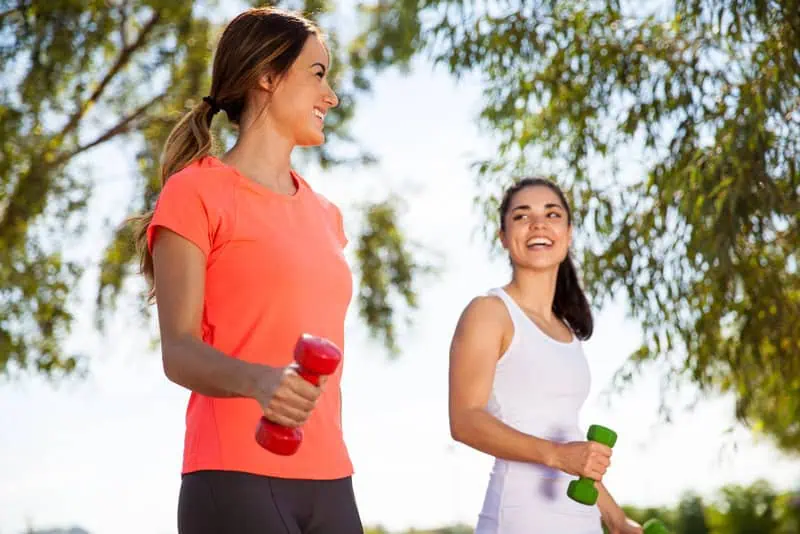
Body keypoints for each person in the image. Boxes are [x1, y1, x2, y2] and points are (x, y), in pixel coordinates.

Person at [129, 7, 362, 534]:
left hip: (331, 476)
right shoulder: (195, 193)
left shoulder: (327, 215)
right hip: (234, 475)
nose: (331, 97)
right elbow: (179, 350)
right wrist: (259, 380)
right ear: (267, 76)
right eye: (318, 74)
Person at [447, 177, 643, 534]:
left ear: (568, 234)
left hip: (579, 518)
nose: (538, 224)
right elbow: (465, 421)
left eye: (552, 214)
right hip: (520, 517)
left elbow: (569, 437)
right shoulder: (489, 312)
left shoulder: (566, 329)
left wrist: (616, 519)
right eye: (522, 216)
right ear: (503, 236)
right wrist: (557, 455)